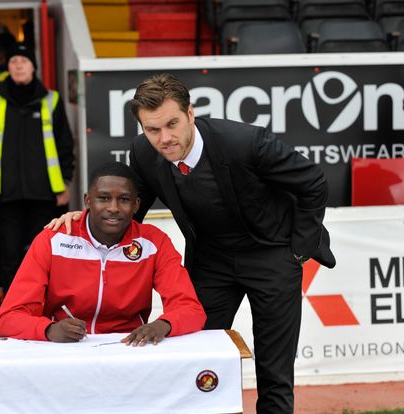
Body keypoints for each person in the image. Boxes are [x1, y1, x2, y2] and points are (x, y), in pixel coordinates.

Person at [49, 73, 336, 413]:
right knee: (195, 356)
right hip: (210, 260)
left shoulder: (245, 142)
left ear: (190, 113)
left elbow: (313, 182)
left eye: (172, 124)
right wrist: (81, 225)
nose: (164, 138)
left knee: (274, 371)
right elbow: (126, 209)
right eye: (152, 129)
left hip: (271, 255)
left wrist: (298, 251)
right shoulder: (143, 152)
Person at [0, 162, 206, 345]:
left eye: (124, 199)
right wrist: (49, 330)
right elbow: (9, 317)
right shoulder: (53, 240)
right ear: (88, 201)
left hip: (127, 348)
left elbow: (191, 310)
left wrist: (164, 325)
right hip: (64, 350)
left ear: (136, 205)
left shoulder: (154, 242)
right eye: (103, 198)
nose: (113, 208)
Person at [0, 42, 74, 298]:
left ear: (33, 67)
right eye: (13, 62)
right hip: (6, 194)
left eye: (24, 61)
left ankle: (43, 306)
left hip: (44, 194)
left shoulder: (51, 100)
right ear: (7, 68)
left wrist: (65, 180)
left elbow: (64, 144)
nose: (18, 65)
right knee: (9, 256)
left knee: (44, 255)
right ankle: (14, 309)